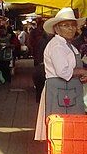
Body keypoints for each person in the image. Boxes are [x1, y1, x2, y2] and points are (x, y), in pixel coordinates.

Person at [35, 8, 87, 140]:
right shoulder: (57, 46)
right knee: (61, 130)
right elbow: (63, 72)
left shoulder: (68, 45)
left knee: (69, 130)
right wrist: (82, 71)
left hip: (68, 91)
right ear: (57, 29)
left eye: (73, 25)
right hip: (61, 92)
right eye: (66, 25)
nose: (71, 29)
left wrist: (81, 75)